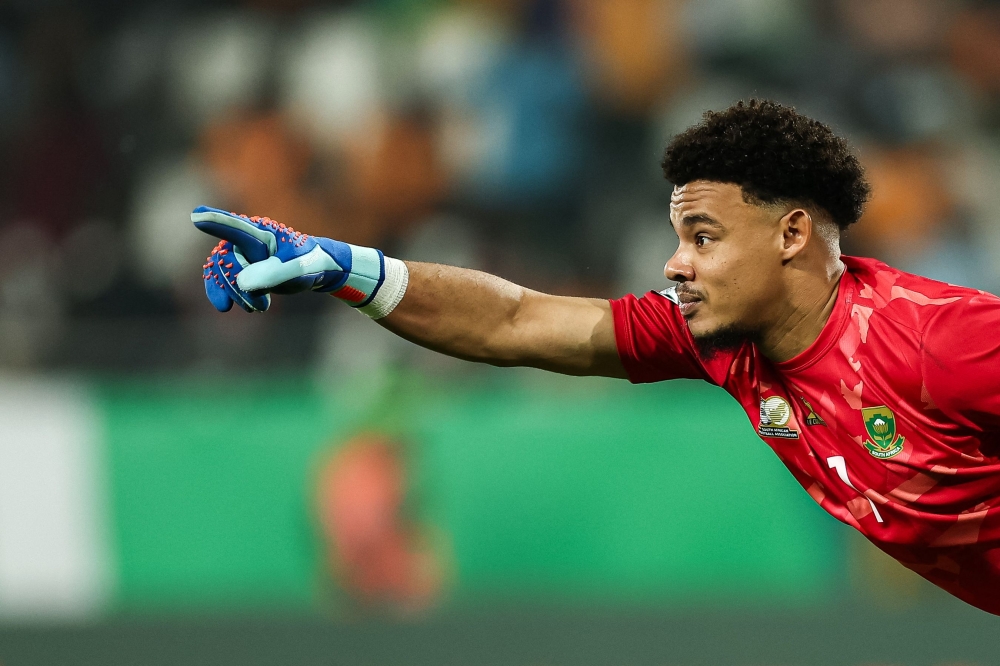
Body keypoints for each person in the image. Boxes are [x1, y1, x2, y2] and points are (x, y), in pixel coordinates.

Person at [195, 99, 1000, 615]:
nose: (675, 263)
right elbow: (515, 321)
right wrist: (345, 267)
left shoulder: (941, 341)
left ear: (791, 235)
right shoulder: (714, 339)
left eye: (704, 238)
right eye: (680, 236)